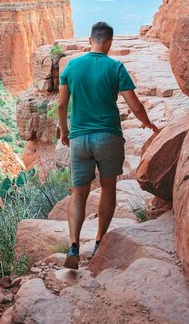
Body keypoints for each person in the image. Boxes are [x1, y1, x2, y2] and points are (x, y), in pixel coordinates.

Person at [58, 21, 159, 269]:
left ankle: (73, 246)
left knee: (78, 193)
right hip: (108, 138)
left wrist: (64, 130)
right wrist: (148, 124)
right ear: (110, 42)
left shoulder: (72, 66)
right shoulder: (115, 67)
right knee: (108, 188)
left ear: (90, 40)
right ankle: (99, 242)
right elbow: (134, 105)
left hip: (80, 139)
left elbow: (61, 105)